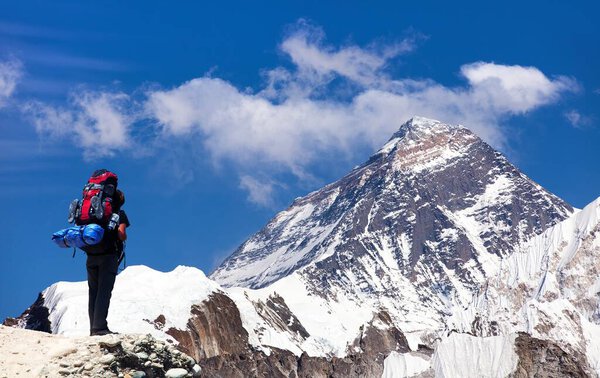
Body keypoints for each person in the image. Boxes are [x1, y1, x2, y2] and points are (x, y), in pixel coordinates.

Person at [86, 189, 130, 336]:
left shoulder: (96, 213)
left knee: (93, 292)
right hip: (108, 256)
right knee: (104, 292)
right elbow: (121, 234)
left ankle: (93, 328)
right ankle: (100, 328)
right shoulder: (120, 214)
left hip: (91, 255)